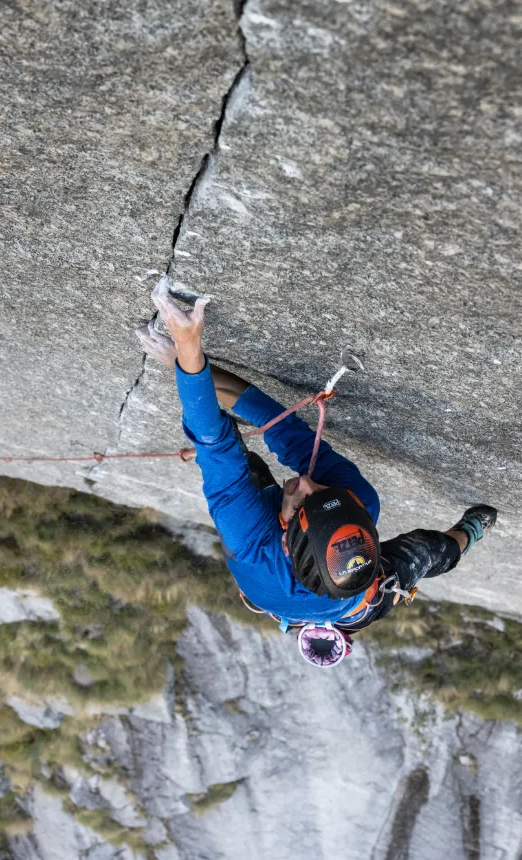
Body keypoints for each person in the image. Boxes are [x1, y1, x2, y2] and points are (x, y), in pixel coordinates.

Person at [136, 277, 496, 658]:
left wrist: (188, 360)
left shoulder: (252, 541)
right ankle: (471, 533)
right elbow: (286, 429)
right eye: (321, 492)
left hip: (268, 583)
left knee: (241, 463)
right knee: (427, 551)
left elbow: (212, 441)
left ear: (287, 537)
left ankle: (274, 589)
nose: (307, 482)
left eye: (305, 500)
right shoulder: (358, 499)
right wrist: (192, 370)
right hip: (356, 605)